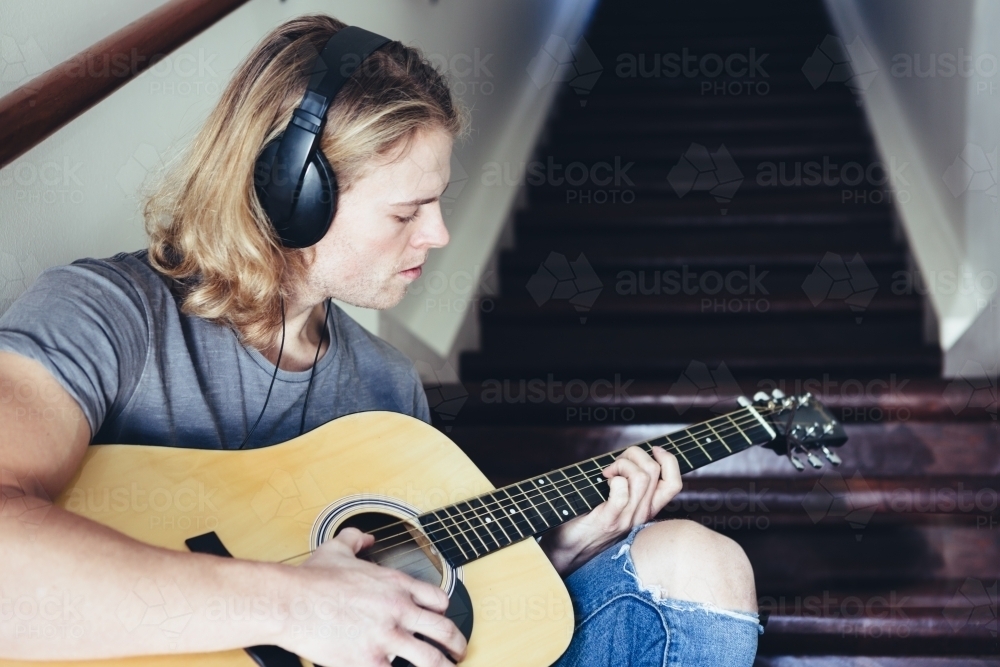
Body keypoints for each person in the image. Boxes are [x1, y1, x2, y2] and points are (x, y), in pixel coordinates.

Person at [0, 14, 761, 667]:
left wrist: (557, 551)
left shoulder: (385, 390)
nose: (438, 234)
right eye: (407, 212)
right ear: (291, 196)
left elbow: (418, 602)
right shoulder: (105, 312)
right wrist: (291, 602)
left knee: (695, 558)